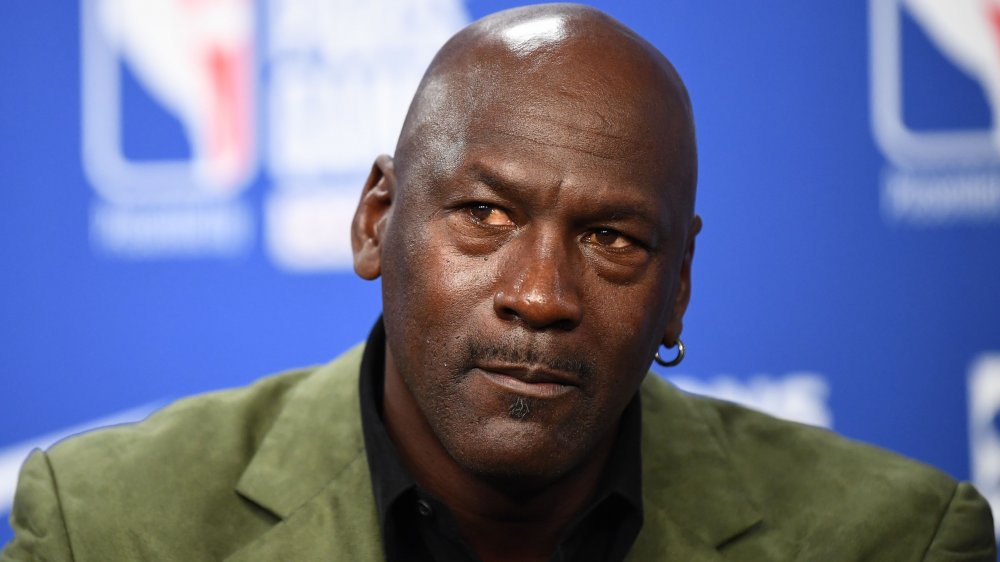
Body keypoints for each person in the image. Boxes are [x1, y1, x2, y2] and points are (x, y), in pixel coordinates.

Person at [3, 4, 995, 561]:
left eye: (610, 238)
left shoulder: (892, 541)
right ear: (376, 219)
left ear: (679, 286)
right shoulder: (109, 526)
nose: (540, 294)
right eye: (483, 214)